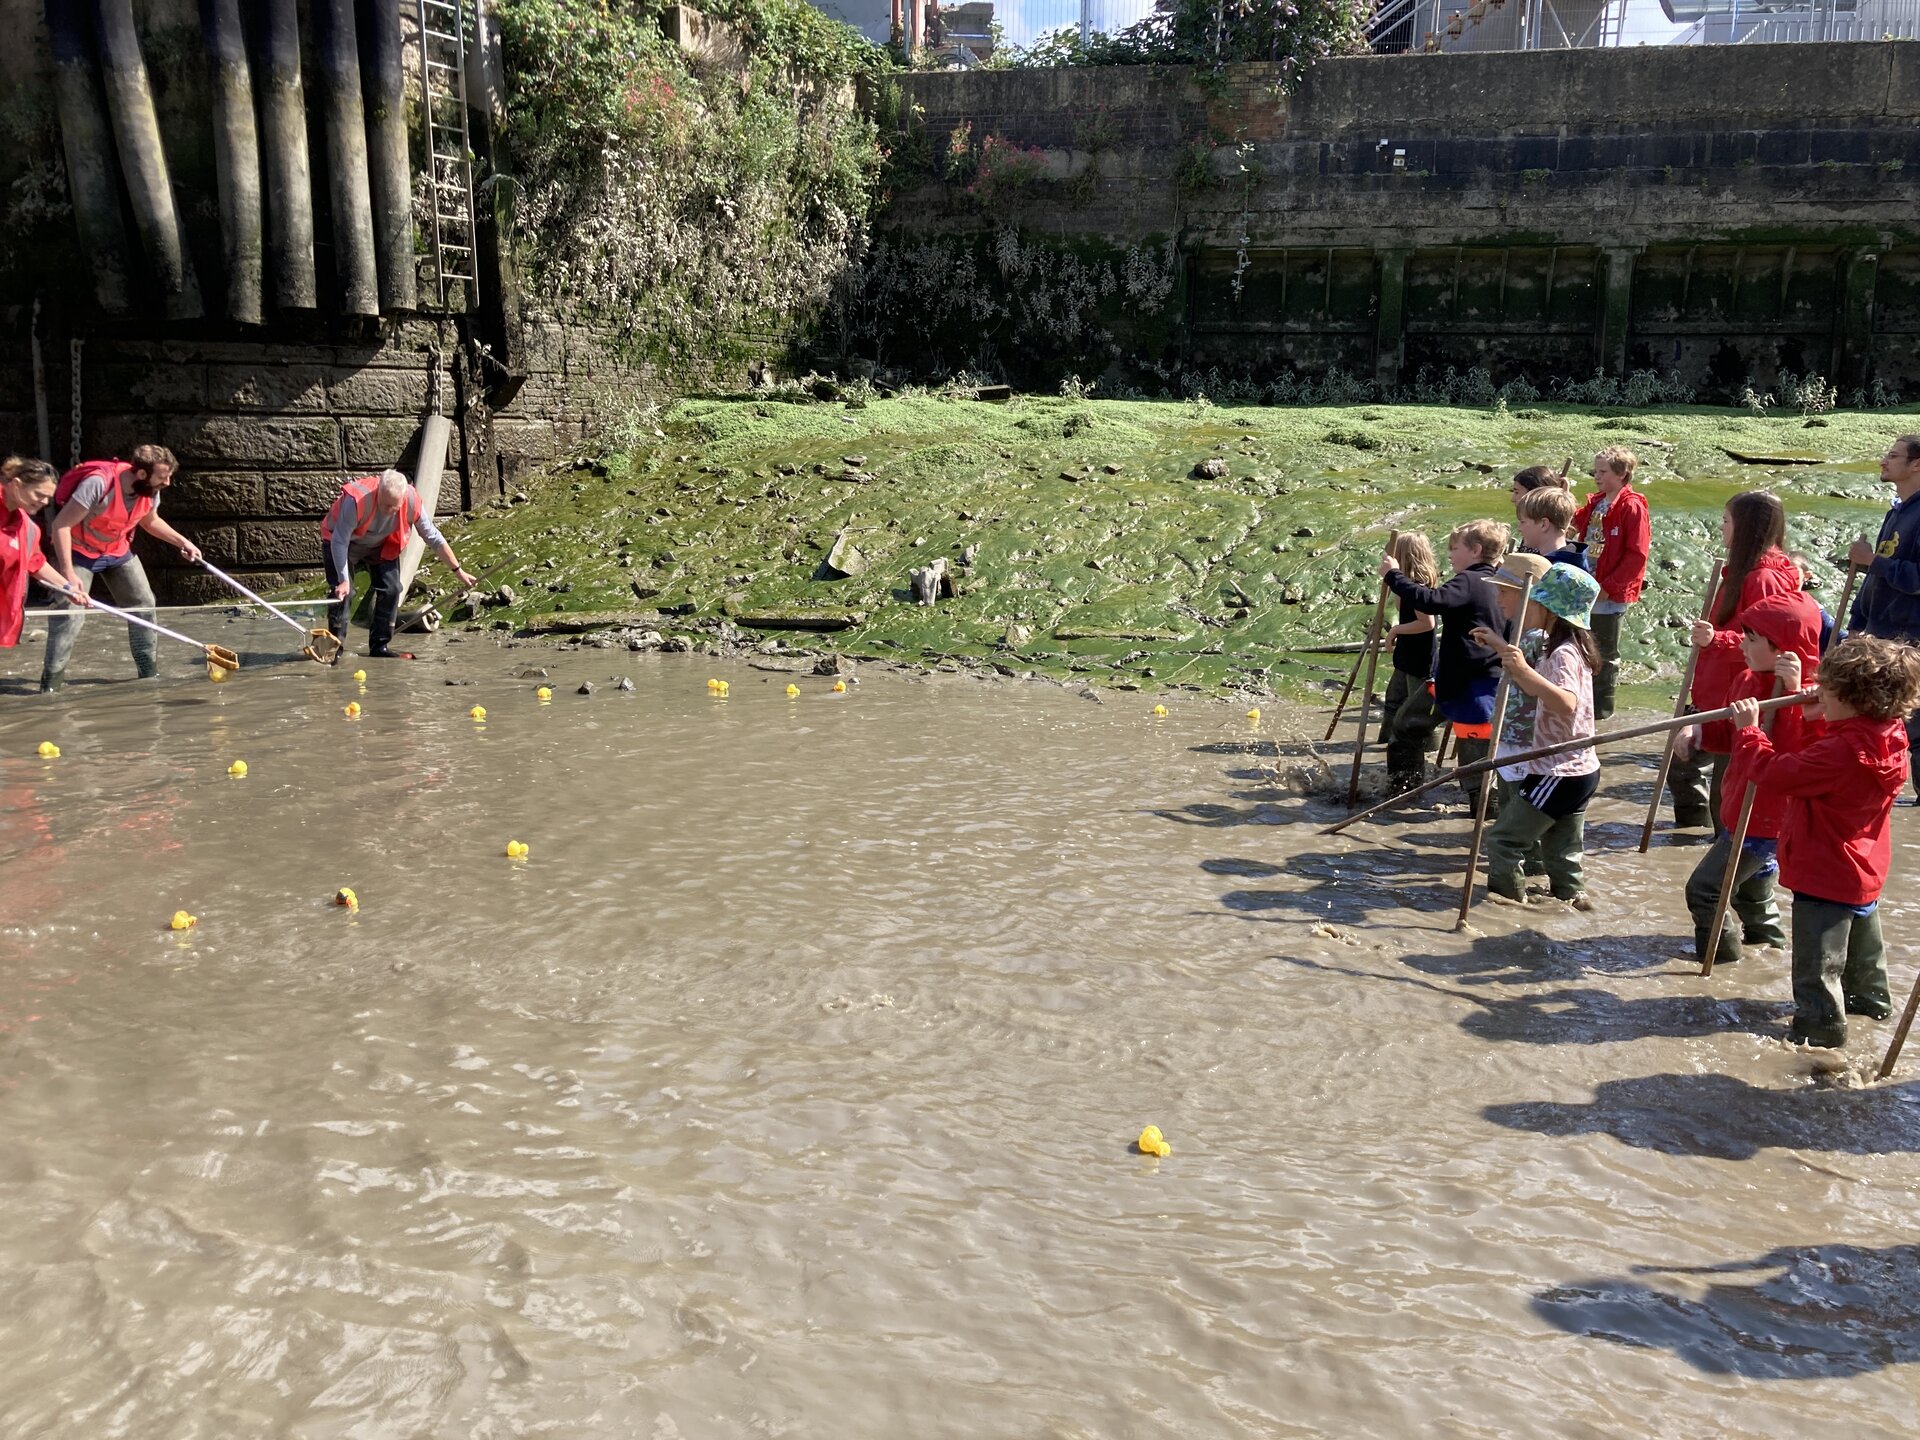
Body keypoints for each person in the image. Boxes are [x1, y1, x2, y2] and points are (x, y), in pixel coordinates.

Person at [1727, 635, 1920, 1047]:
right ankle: (1872, 1012)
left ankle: (1819, 1039)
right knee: (1865, 963)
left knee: (1818, 970)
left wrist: (1748, 734)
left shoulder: (1841, 752)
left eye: (1826, 688)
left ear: (1851, 697)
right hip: (1863, 870)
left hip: (1824, 873)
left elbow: (1778, 773)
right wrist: (1813, 710)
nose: (1819, 691)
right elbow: (1833, 751)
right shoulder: (1891, 734)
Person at [1683, 591, 1825, 971]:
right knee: (1751, 896)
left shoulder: (1812, 697)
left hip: (1764, 818)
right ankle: (1767, 958)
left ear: (1783, 652)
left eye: (1751, 640)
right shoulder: (1747, 679)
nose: (1741, 645)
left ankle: (1720, 965)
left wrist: (1793, 695)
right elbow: (1729, 737)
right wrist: (1697, 737)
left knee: (1704, 889)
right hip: (1739, 802)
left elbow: (1798, 758)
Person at [1474, 562, 1603, 908]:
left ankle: (1506, 907)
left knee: (1503, 841)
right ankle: (1572, 903)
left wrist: (1522, 672)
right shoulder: (1573, 649)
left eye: (1535, 603)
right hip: (1580, 769)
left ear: (1549, 610)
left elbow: (1565, 703)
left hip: (1557, 770)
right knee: (1562, 852)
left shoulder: (1562, 653)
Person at [1668, 490, 1799, 828]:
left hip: (1740, 694)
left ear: (1747, 528)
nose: (1721, 527)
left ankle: (1722, 851)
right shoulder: (1741, 570)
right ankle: (1691, 837)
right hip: (1715, 689)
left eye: (1727, 521)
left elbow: (1773, 640)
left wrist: (1717, 639)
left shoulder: (1764, 578)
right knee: (1682, 766)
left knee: (1728, 791)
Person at [38, 445, 200, 692]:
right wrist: (69, 575)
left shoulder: (150, 489)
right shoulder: (97, 484)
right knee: (70, 615)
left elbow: (150, 520)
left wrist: (183, 542)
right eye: (163, 476)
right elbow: (60, 525)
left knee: (144, 604)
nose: (168, 482)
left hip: (116, 551)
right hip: (79, 552)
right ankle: (50, 686)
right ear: (142, 475)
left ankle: (148, 677)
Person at [1381, 519, 1510, 809]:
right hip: (1453, 679)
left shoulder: (1471, 580)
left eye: (1455, 548)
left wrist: (1393, 576)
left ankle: (1480, 811)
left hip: (1472, 684)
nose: (1449, 554)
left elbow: (1430, 601)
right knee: (1406, 726)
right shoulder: (1496, 580)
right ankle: (1405, 793)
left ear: (1475, 550)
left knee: (1472, 750)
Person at [321, 469, 475, 659]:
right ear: (378, 492)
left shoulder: (412, 501)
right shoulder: (357, 501)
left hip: (381, 544)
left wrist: (458, 571)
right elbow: (339, 541)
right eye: (384, 505)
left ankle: (380, 646)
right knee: (345, 592)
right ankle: (334, 649)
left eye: (393, 507)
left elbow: (433, 538)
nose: (387, 512)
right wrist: (343, 580)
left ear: (403, 499)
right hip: (341, 542)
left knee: (392, 588)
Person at [1845, 434, 1920, 794]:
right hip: (1880, 634)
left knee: (1914, 730)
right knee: (1876, 723)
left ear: (1916, 464)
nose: (1883, 461)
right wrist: (1858, 622)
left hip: (1910, 641)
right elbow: (1876, 577)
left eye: (1893, 456)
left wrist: (1873, 561)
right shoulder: (1896, 512)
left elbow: (1915, 578)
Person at [1569, 446, 1650, 720]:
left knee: (1604, 649)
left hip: (1608, 592)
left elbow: (1636, 554)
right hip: (1587, 584)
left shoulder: (1632, 506)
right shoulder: (1596, 502)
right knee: (1584, 643)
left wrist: (1610, 587)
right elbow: (1573, 521)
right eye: (1596, 470)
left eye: (1603, 471)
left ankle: (1602, 708)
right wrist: (1563, 495)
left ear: (1622, 474)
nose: (1596, 476)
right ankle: (1584, 701)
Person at [1376, 531, 1439, 790]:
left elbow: (1427, 623)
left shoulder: (1419, 586)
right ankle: (1388, 741)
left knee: (1416, 706)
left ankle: (1423, 747)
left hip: (1419, 655)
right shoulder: (1403, 583)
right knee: (1394, 697)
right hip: (1406, 653)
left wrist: (1395, 631)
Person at [2, 458, 85, 649]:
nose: (45, 502)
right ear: (16, 485)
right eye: (39, 494)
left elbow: (35, 562)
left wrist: (68, 587)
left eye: (48, 497)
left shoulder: (27, 528)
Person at [1515, 487, 1590, 572]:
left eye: (1522, 522)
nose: (1519, 528)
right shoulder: (1572, 557)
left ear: (1544, 524)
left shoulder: (1560, 573)